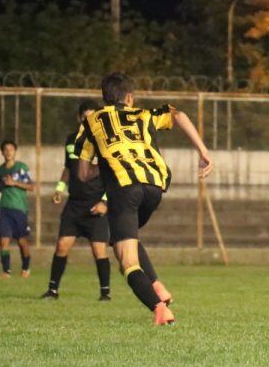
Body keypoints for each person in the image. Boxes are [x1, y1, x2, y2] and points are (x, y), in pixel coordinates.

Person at [76, 72, 213, 325]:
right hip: (154, 187)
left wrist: (105, 165)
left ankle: (159, 308)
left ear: (104, 97)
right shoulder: (142, 114)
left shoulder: (92, 121)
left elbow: (83, 174)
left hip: (124, 189)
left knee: (125, 260)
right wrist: (203, 152)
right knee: (128, 237)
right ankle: (157, 285)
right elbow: (179, 115)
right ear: (130, 97)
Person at [40, 100, 113, 301]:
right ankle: (52, 291)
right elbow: (68, 167)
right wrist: (59, 189)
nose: (88, 121)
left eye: (92, 117)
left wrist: (105, 203)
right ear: (79, 118)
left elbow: (113, 174)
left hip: (96, 204)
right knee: (62, 245)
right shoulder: (71, 140)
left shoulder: (104, 142)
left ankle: (105, 293)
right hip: (74, 204)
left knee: (99, 250)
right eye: (85, 117)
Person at [0, 140, 34, 279]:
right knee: (3, 240)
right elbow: (1, 187)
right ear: (2, 152)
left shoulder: (21, 167)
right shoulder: (0, 170)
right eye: (5, 150)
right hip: (4, 208)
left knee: (21, 241)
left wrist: (15, 183)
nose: (8, 152)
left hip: (19, 208)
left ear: (15, 151)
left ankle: (26, 267)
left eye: (11, 149)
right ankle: (6, 271)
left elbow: (31, 186)